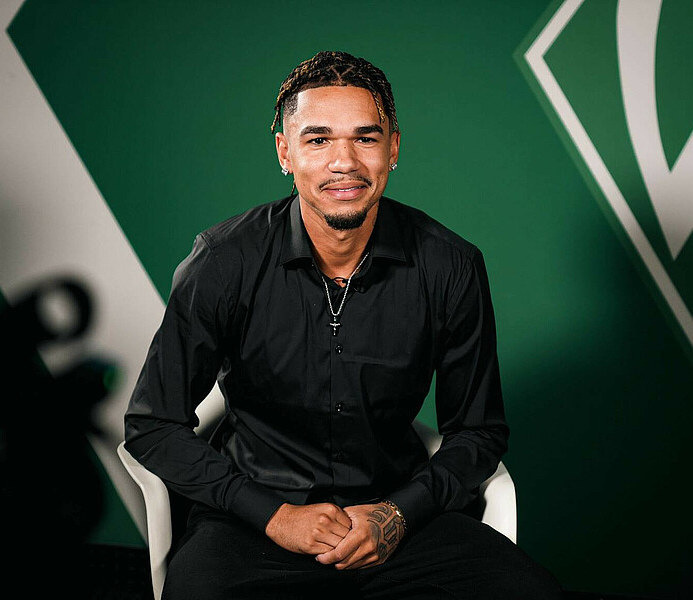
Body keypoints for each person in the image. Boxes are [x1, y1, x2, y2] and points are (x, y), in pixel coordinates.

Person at [124, 50, 562, 599]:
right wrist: (273, 514)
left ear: (393, 148)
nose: (344, 162)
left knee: (528, 593)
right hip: (254, 527)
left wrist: (399, 513)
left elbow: (478, 431)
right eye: (318, 139)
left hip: (396, 521)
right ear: (285, 152)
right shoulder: (223, 261)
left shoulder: (450, 265)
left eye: (366, 138)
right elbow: (152, 425)